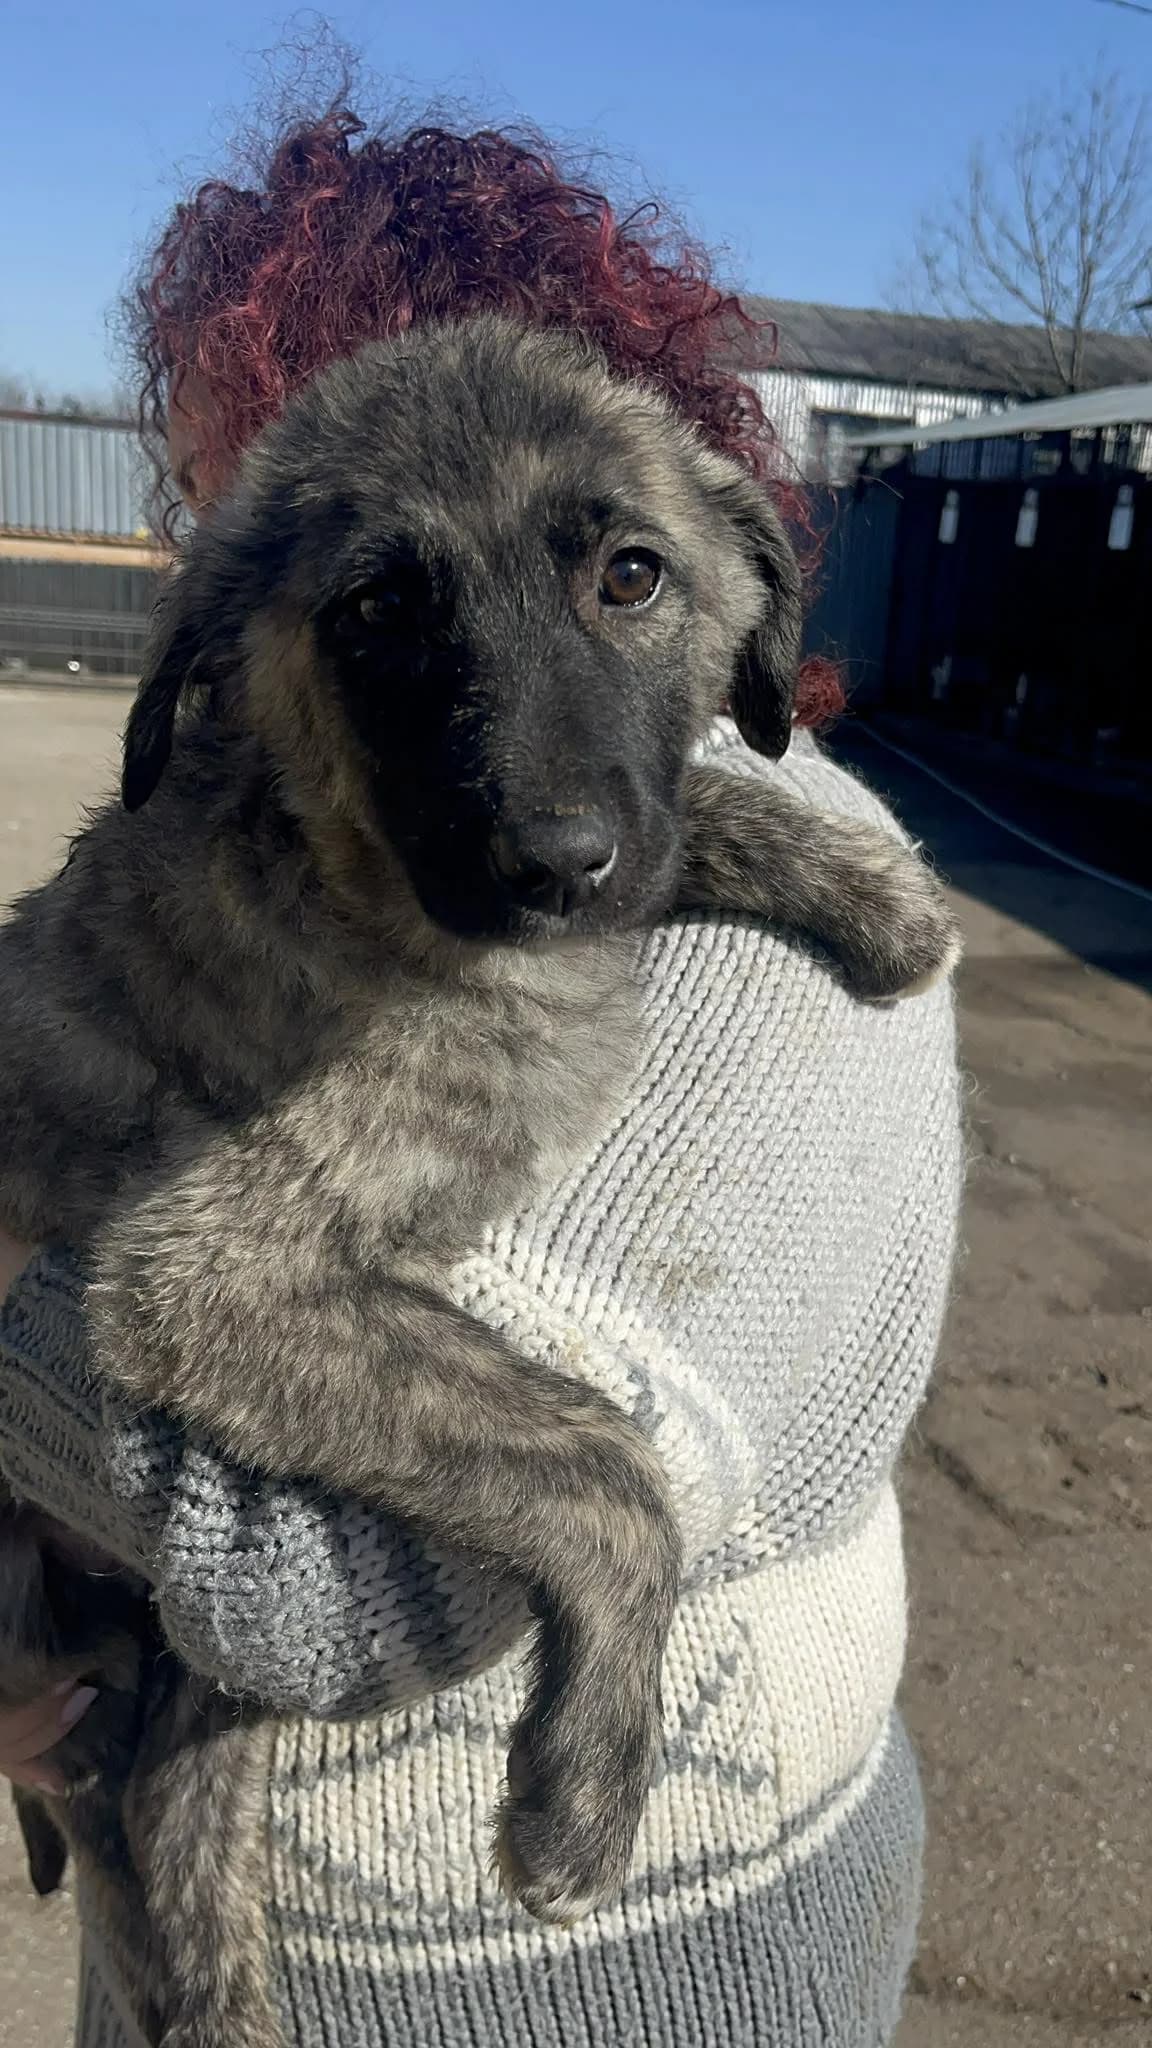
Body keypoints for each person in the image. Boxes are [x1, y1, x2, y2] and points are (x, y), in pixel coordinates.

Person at [0, 104, 962, 2048]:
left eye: (611, 572)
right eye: (374, 617)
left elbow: (328, 1586)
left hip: (619, 1986)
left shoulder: (778, 949)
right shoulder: (257, 840)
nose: (536, 789)